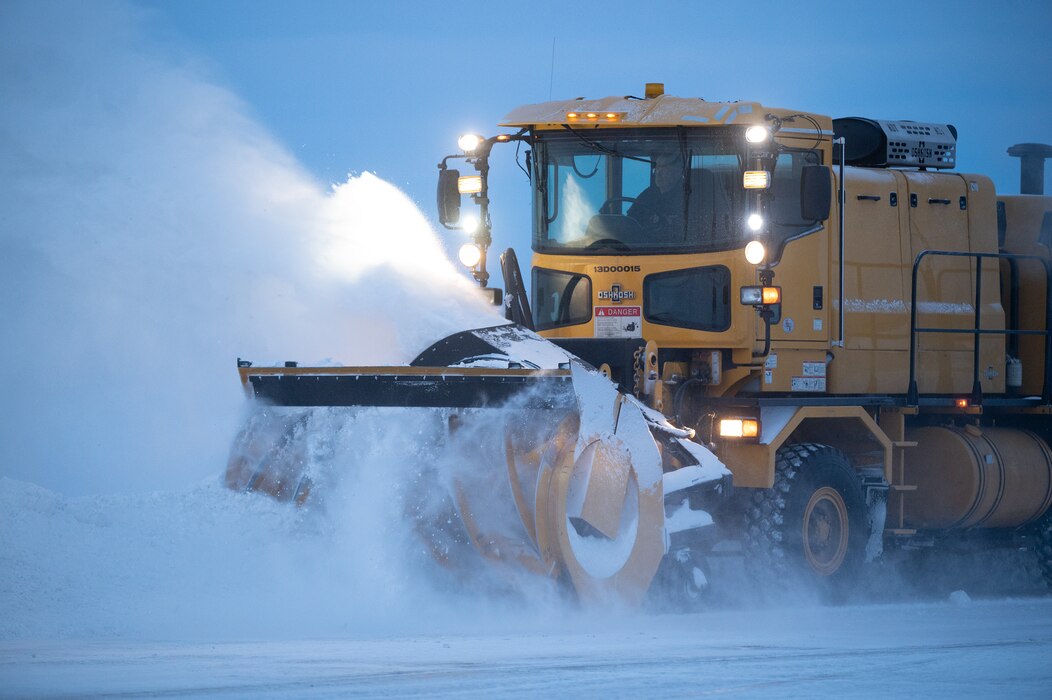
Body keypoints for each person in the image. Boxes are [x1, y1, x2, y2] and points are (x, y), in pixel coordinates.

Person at [627, 153, 685, 232]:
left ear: (678, 172)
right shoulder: (648, 194)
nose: (658, 174)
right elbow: (630, 220)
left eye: (665, 169)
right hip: (645, 243)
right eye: (657, 168)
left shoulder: (688, 195)